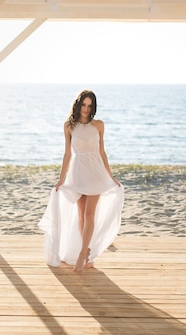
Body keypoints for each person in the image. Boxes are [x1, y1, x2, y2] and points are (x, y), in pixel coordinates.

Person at [38, 90, 124, 273]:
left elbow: (102, 152)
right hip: (77, 173)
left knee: (90, 215)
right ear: (78, 105)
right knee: (81, 216)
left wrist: (111, 176)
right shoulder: (69, 126)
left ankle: (82, 254)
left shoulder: (98, 125)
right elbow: (68, 153)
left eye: (89, 106)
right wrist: (61, 179)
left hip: (95, 172)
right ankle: (88, 252)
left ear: (93, 107)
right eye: (84, 105)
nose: (86, 109)